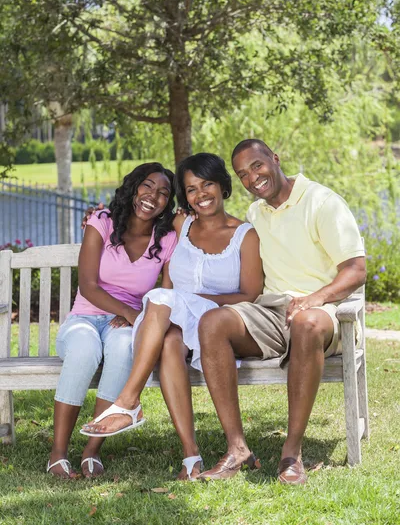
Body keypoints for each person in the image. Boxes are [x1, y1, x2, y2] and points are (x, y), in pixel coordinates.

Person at [81, 153, 263, 480]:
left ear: (224, 186)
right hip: (178, 321)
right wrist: (97, 215)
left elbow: (250, 295)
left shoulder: (244, 235)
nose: (200, 194)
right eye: (191, 189)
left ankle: (129, 401)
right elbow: (138, 217)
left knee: (164, 299)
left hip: (220, 324)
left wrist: (188, 299)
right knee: (168, 341)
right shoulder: (181, 223)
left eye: (207, 184)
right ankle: (191, 458)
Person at [194, 139, 366, 484]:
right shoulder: (257, 213)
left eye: (256, 165)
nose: (252, 178)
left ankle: (291, 453)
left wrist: (315, 298)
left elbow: (356, 269)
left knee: (305, 323)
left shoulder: (322, 201)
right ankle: (237, 448)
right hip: (272, 312)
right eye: (242, 174)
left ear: (275, 158)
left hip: (324, 314)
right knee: (212, 323)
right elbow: (221, 230)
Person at [47, 163, 177, 478]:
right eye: (147, 186)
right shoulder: (102, 222)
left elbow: (168, 292)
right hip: (85, 318)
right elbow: (89, 285)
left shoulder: (168, 239)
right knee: (84, 350)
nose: (152, 196)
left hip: (127, 327)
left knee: (122, 349)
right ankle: (58, 453)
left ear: (167, 203)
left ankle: (92, 451)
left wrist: (137, 317)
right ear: (134, 187)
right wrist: (130, 313)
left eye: (162, 193)